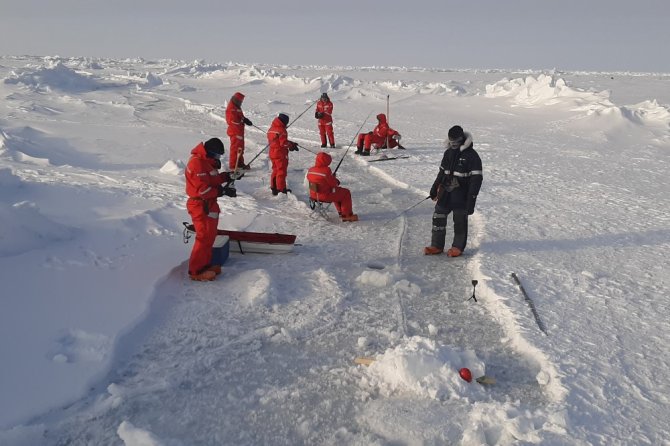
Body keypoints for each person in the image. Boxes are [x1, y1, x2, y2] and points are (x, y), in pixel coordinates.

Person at [185, 138, 239, 281]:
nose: (217, 159)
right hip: (201, 205)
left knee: (209, 236)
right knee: (203, 238)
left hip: (209, 204)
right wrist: (222, 192)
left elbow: (212, 180)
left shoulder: (206, 162)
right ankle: (195, 271)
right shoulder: (196, 164)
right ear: (209, 152)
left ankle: (205, 265)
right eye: (216, 155)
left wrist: (227, 176)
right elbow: (203, 190)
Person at [424, 125, 482, 257]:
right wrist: (434, 188)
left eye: (455, 142)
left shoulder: (472, 156)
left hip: (462, 194)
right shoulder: (448, 153)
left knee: (459, 220)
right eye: (451, 142)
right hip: (446, 191)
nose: (453, 145)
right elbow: (441, 173)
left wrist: (471, 199)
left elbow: (476, 179)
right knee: (438, 216)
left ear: (461, 140)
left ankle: (457, 247)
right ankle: (436, 245)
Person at [306, 152, 358, 222]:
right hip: (325, 196)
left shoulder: (311, 170)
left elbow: (318, 180)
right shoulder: (326, 170)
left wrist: (331, 178)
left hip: (314, 195)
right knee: (346, 192)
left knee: (337, 191)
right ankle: (347, 215)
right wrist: (335, 180)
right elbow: (333, 184)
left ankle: (341, 212)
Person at [268, 113, 299, 195]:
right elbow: (283, 143)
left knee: (275, 170)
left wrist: (291, 143)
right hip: (280, 153)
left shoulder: (271, 128)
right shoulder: (282, 130)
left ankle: (274, 187)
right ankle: (281, 189)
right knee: (281, 171)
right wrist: (291, 146)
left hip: (272, 152)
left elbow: (277, 141)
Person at [226, 91, 253, 171]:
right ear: (236, 100)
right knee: (235, 149)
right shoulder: (231, 108)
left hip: (239, 131)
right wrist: (242, 121)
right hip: (235, 132)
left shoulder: (237, 107)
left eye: (241, 101)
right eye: (240, 101)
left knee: (240, 148)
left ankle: (240, 164)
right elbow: (232, 121)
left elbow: (240, 117)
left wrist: (245, 119)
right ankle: (234, 166)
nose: (241, 103)